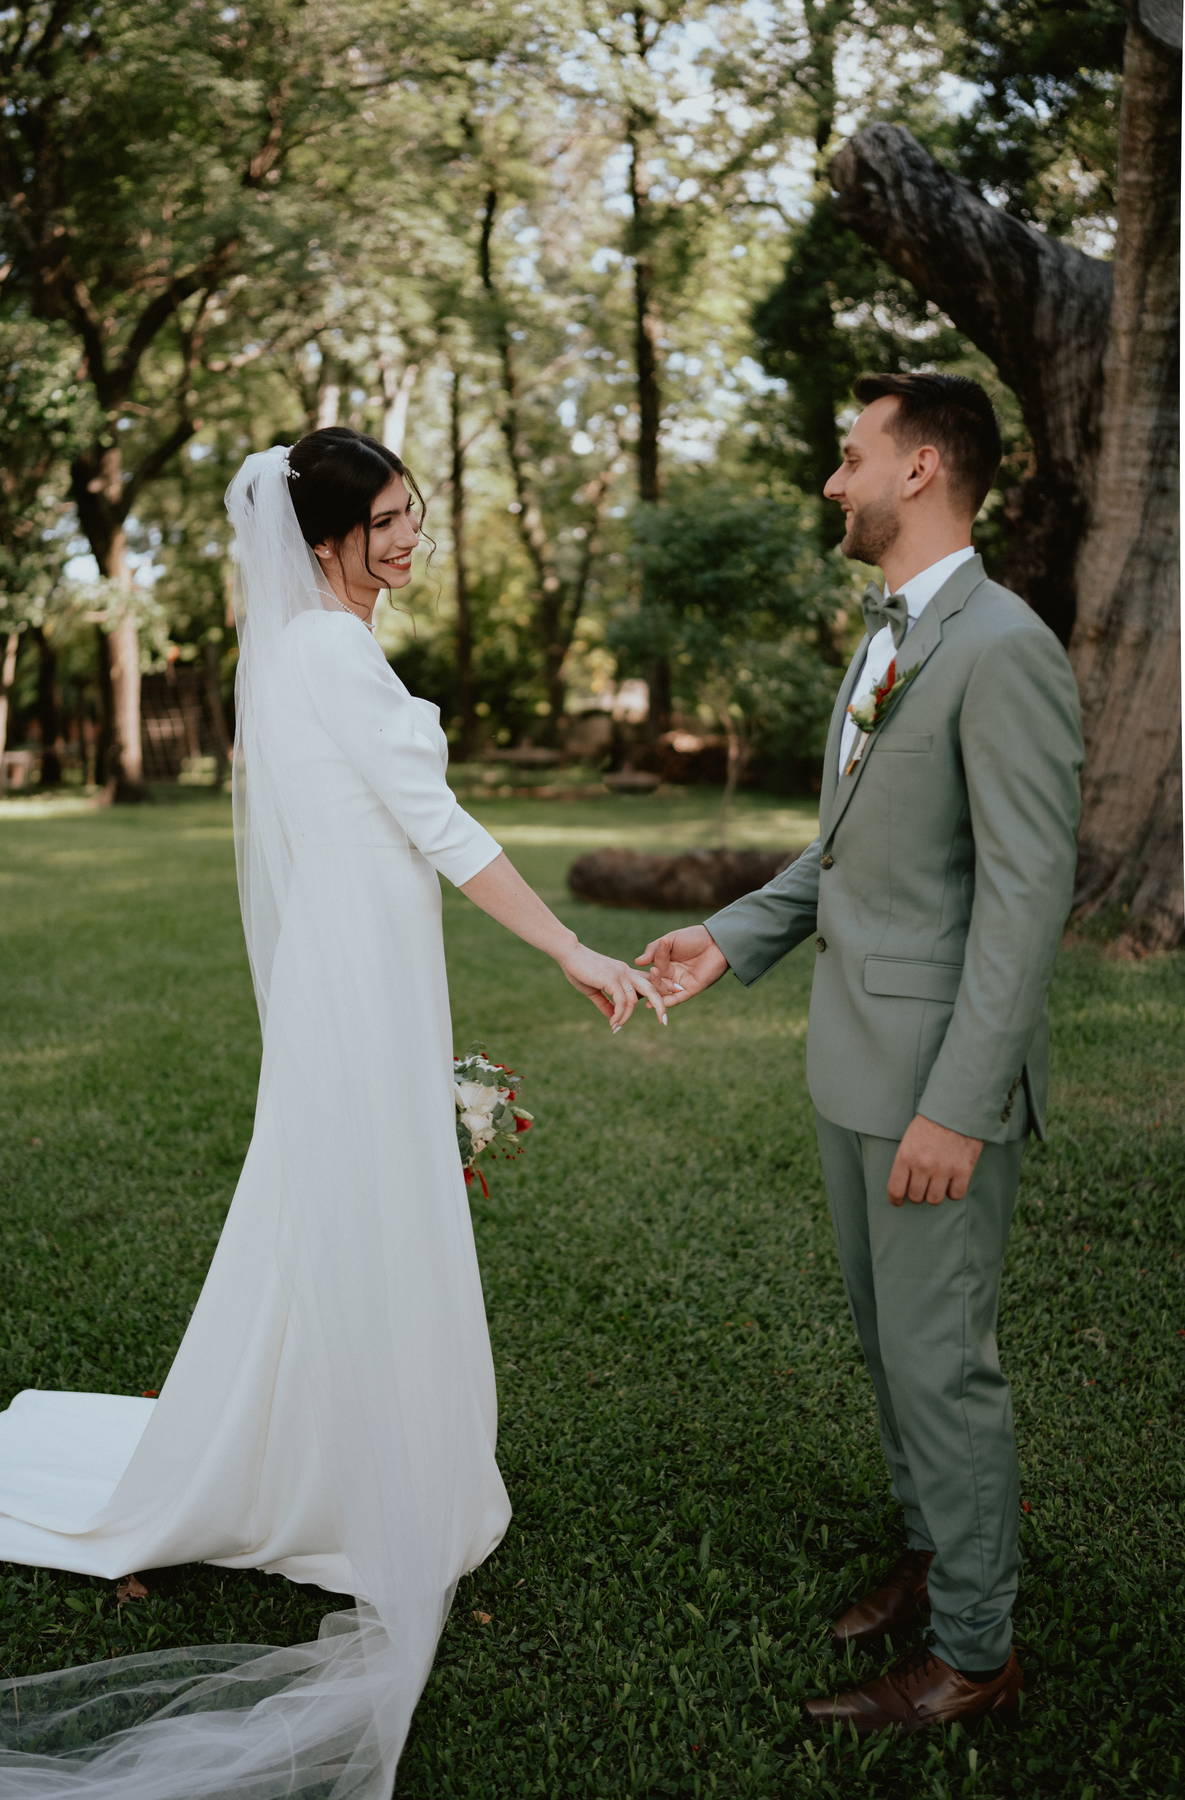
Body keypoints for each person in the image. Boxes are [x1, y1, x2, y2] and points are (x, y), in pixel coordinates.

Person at [0, 428, 665, 1798]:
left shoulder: (311, 652)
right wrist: (577, 952)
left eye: (417, 511)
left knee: (333, 1216)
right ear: (324, 543)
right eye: (391, 521)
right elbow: (448, 831)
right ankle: (360, 1481)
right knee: (361, 1214)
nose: (412, 537)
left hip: (354, 971)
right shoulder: (332, 657)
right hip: (360, 980)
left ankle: (314, 1450)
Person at [637, 373, 1083, 1734]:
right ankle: (939, 1546)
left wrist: (960, 1104)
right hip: (853, 1065)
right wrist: (727, 939)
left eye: (851, 458)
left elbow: (1024, 896)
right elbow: (848, 859)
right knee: (894, 1352)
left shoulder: (1003, 647)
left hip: (934, 1087)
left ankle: (974, 1651)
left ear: (921, 469)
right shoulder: (889, 635)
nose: (832, 482)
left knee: (942, 1360)